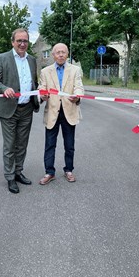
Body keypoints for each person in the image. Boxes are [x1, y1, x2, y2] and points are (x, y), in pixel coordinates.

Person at [0, 28, 39, 194]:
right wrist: (4, 88)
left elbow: (35, 83)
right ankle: (10, 177)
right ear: (12, 42)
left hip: (27, 108)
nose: (22, 44)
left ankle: (18, 172)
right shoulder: (2, 58)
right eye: (19, 41)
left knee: (22, 144)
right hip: (9, 108)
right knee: (10, 145)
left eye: (25, 41)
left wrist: (40, 94)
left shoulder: (32, 60)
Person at [38, 43, 84, 185]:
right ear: (53, 55)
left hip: (69, 111)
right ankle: (49, 172)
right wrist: (42, 95)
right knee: (50, 144)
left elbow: (79, 87)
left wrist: (77, 96)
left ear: (67, 54)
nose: (60, 55)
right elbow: (41, 88)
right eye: (57, 52)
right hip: (52, 112)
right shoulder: (45, 71)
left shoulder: (75, 70)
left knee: (69, 145)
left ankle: (68, 170)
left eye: (63, 52)